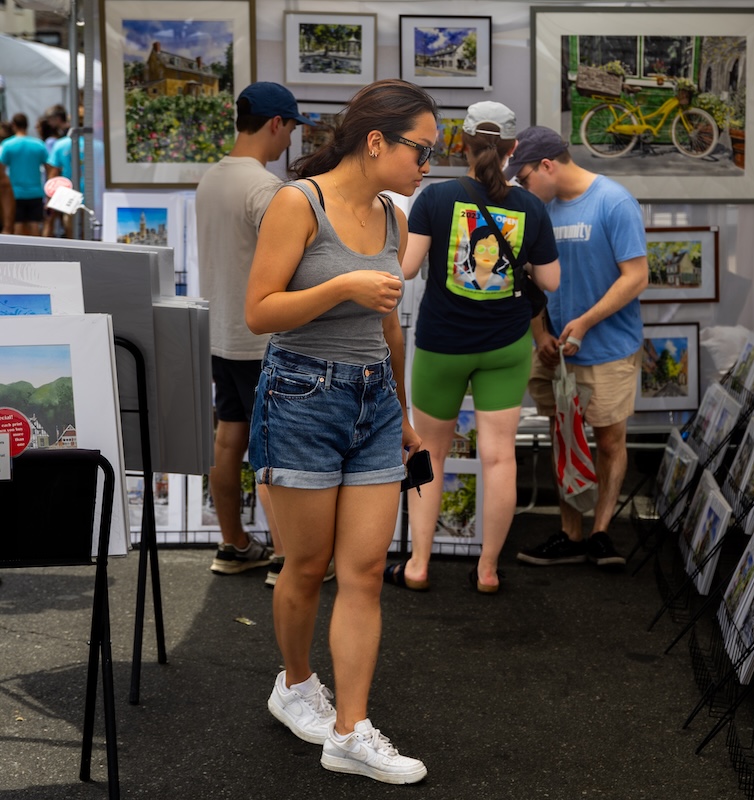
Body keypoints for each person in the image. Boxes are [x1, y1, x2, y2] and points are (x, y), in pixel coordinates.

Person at [244, 78, 432, 785]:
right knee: (307, 566)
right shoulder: (300, 203)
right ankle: (295, 684)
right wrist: (341, 286)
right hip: (299, 395)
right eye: (420, 149)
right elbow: (259, 311)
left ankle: (350, 730)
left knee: (362, 576)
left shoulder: (395, 214)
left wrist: (406, 416)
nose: (426, 166)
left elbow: (389, 326)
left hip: (375, 403)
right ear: (376, 140)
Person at [394, 101, 560, 594]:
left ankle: (418, 565)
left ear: (460, 144)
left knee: (429, 454)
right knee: (499, 458)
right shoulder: (531, 206)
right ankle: (487, 571)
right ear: (512, 150)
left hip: (442, 343)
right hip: (505, 346)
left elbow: (404, 270)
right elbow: (550, 279)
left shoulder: (435, 198)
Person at [505, 126, 648, 570]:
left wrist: (584, 323)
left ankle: (601, 533)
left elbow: (636, 276)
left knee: (609, 440)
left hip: (607, 348)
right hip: (555, 350)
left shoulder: (613, 201)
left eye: (524, 176)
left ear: (548, 165)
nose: (521, 185)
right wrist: (539, 333)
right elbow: (525, 278)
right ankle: (570, 533)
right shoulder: (538, 209)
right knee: (563, 438)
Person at [196, 82, 306, 584]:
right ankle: (284, 558)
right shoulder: (264, 189)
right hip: (262, 340)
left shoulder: (210, 180)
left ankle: (235, 544)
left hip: (220, 333)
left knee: (229, 442)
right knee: (273, 451)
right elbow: (291, 261)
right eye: (290, 129)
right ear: (275, 123)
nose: (289, 143)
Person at [0, 113, 49, 236]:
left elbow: (1, 170)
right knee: (35, 225)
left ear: (14, 125)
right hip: (36, 191)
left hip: (15, 192)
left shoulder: (7, 145)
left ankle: (19, 255)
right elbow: (49, 168)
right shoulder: (38, 144)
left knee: (17, 226)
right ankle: (37, 254)